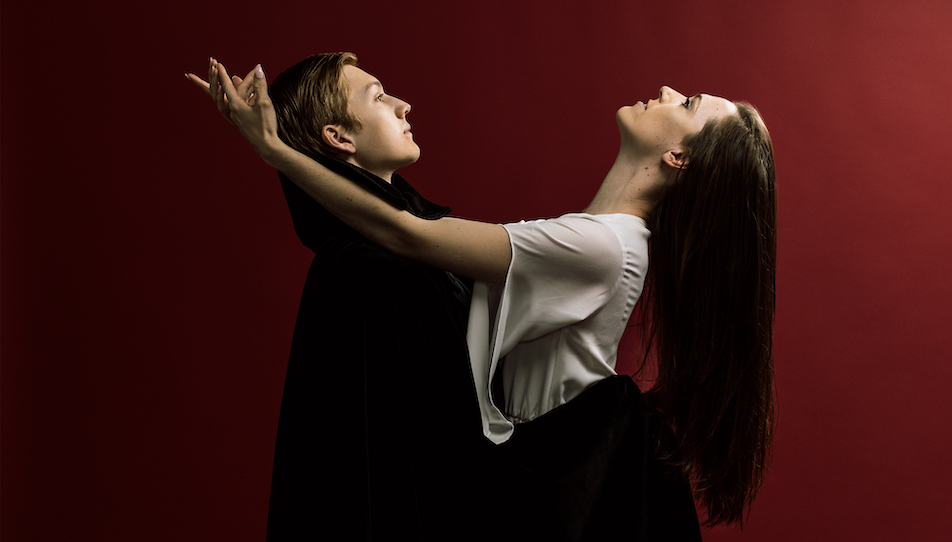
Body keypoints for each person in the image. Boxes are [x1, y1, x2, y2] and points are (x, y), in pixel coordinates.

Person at [200, 55, 777, 539]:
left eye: (689, 104)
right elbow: (411, 219)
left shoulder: (601, 245)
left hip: (533, 497)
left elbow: (409, 232)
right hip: (521, 487)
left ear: (678, 157)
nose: (668, 91)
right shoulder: (597, 237)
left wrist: (277, 153)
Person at [189, 55, 490, 540]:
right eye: (378, 96)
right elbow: (399, 466)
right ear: (339, 138)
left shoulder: (409, 252)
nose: (404, 105)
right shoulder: (372, 272)